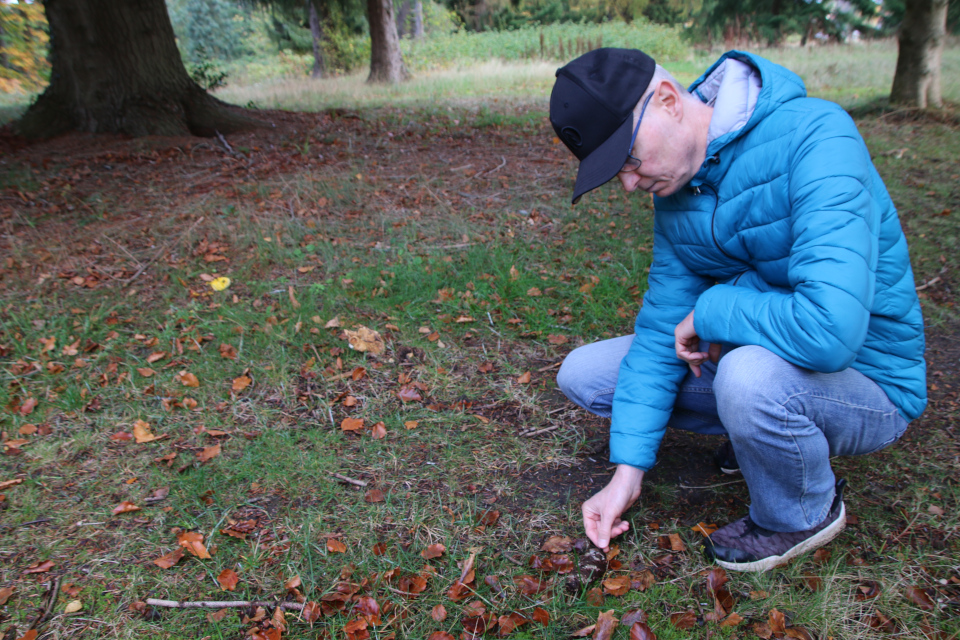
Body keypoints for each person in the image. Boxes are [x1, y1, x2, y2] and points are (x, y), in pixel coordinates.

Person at [549, 48, 926, 572]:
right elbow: (663, 331)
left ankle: (801, 512)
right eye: (616, 174)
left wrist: (713, 309)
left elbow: (830, 332)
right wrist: (625, 476)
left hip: (867, 379)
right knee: (586, 373)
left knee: (748, 379)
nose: (630, 183)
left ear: (667, 101)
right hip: (773, 358)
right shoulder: (677, 190)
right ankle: (761, 438)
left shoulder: (817, 136)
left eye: (628, 159)